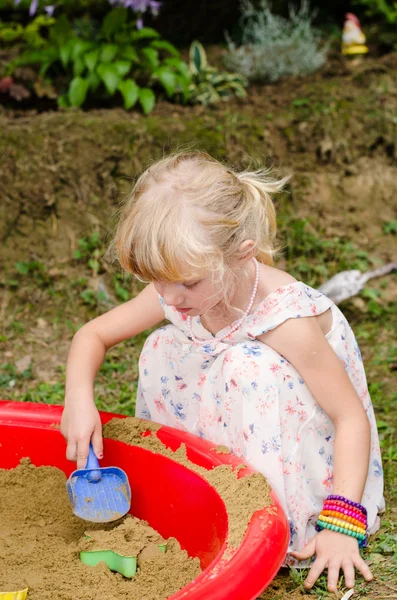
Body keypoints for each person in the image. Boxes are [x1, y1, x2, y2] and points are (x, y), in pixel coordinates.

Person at [61, 151, 384, 593]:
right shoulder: (180, 281)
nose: (170, 299)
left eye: (186, 284)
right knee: (161, 346)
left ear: (239, 256)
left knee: (244, 366)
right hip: (233, 400)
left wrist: (342, 528)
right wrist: (79, 398)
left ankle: (274, 517)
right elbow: (91, 336)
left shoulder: (285, 318)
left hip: (304, 438)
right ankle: (196, 488)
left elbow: (350, 418)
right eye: (157, 282)